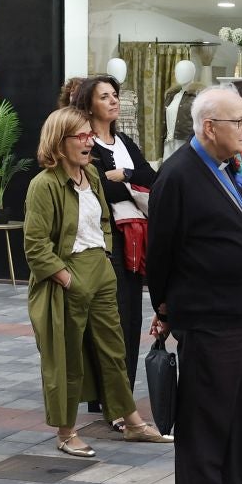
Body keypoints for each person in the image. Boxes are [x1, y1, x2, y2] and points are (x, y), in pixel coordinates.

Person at [147, 87, 242, 484]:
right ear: (208, 127)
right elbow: (160, 251)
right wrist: (165, 306)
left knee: (237, 408)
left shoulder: (223, 167)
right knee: (205, 412)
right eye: (239, 121)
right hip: (208, 316)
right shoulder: (179, 175)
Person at [25, 106, 170, 459]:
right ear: (60, 142)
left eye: (90, 135)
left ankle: (132, 422)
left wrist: (105, 253)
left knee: (113, 350)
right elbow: (35, 245)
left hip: (101, 270)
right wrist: (66, 277)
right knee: (67, 356)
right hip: (67, 274)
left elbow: (104, 219)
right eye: (81, 136)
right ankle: (65, 431)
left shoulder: (91, 173)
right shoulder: (43, 185)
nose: (89, 142)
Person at [75, 74, 159, 397]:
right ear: (89, 104)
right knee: (109, 318)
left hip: (134, 240)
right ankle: (107, 395)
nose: (113, 101)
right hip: (106, 240)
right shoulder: (86, 144)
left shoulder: (123, 141)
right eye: (104, 96)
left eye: (114, 95)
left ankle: (120, 392)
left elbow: (151, 177)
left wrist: (125, 175)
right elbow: (99, 186)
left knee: (131, 317)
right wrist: (124, 184)